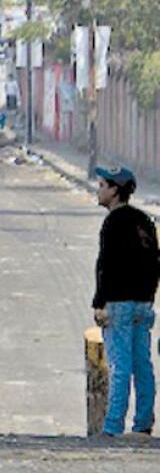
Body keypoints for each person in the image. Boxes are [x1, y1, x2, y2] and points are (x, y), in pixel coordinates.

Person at [92, 166, 159, 437]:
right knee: (143, 366)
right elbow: (155, 262)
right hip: (143, 305)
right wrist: (148, 298)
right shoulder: (145, 221)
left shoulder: (113, 223)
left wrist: (100, 303)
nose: (98, 191)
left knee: (120, 367)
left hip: (118, 304)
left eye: (102, 186)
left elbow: (105, 266)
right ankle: (143, 423)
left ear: (114, 190)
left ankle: (112, 427)